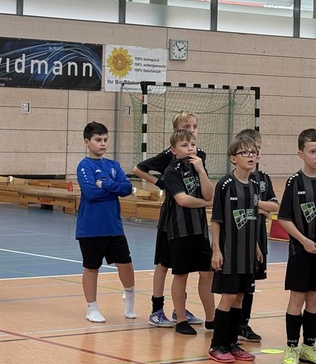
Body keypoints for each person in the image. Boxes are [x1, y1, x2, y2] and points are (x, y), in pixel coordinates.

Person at [275, 128, 316, 364]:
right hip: (300, 251)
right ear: (301, 154)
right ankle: (292, 347)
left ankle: (308, 347)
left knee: (315, 299)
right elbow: (284, 218)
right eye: (312, 151)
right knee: (297, 298)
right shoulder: (294, 182)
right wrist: (303, 240)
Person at [133, 110, 205, 329]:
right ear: (176, 132)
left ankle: (179, 309)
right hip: (171, 218)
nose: (191, 130)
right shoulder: (168, 156)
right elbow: (138, 169)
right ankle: (156, 310)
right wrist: (163, 184)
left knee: (184, 267)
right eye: (186, 127)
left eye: (194, 127)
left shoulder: (199, 155)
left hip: (192, 218)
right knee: (164, 263)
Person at [207, 132, 262, 364]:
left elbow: (252, 218)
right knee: (228, 296)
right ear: (233, 158)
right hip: (229, 252)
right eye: (245, 152)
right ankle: (217, 345)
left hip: (247, 253)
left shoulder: (255, 186)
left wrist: (256, 247)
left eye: (253, 152)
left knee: (240, 296)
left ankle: (231, 343)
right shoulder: (225, 185)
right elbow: (216, 220)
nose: (251, 156)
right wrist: (216, 250)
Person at [75, 122, 138, 324]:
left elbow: (127, 188)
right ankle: (92, 308)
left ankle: (129, 298)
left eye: (105, 140)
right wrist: (114, 190)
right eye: (98, 140)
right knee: (91, 267)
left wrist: (106, 184)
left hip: (113, 226)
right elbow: (91, 193)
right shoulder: (84, 166)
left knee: (126, 264)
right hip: (91, 227)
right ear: (87, 142)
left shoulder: (113, 166)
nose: (102, 143)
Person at [159, 128, 215, 336]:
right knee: (181, 274)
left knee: (207, 273)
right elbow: (182, 199)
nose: (190, 148)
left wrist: (201, 171)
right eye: (184, 145)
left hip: (200, 230)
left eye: (192, 144)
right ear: (174, 150)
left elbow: (209, 193)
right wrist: (206, 204)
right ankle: (181, 319)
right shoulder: (171, 171)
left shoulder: (198, 166)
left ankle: (212, 318)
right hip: (179, 231)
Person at [235, 128, 278, 344]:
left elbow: (274, 206)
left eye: (258, 149)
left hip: (259, 236)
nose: (255, 154)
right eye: (251, 150)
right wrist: (257, 207)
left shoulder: (263, 179)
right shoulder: (234, 180)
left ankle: (244, 323)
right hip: (240, 239)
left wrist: (254, 204)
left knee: (250, 285)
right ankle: (232, 324)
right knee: (236, 287)